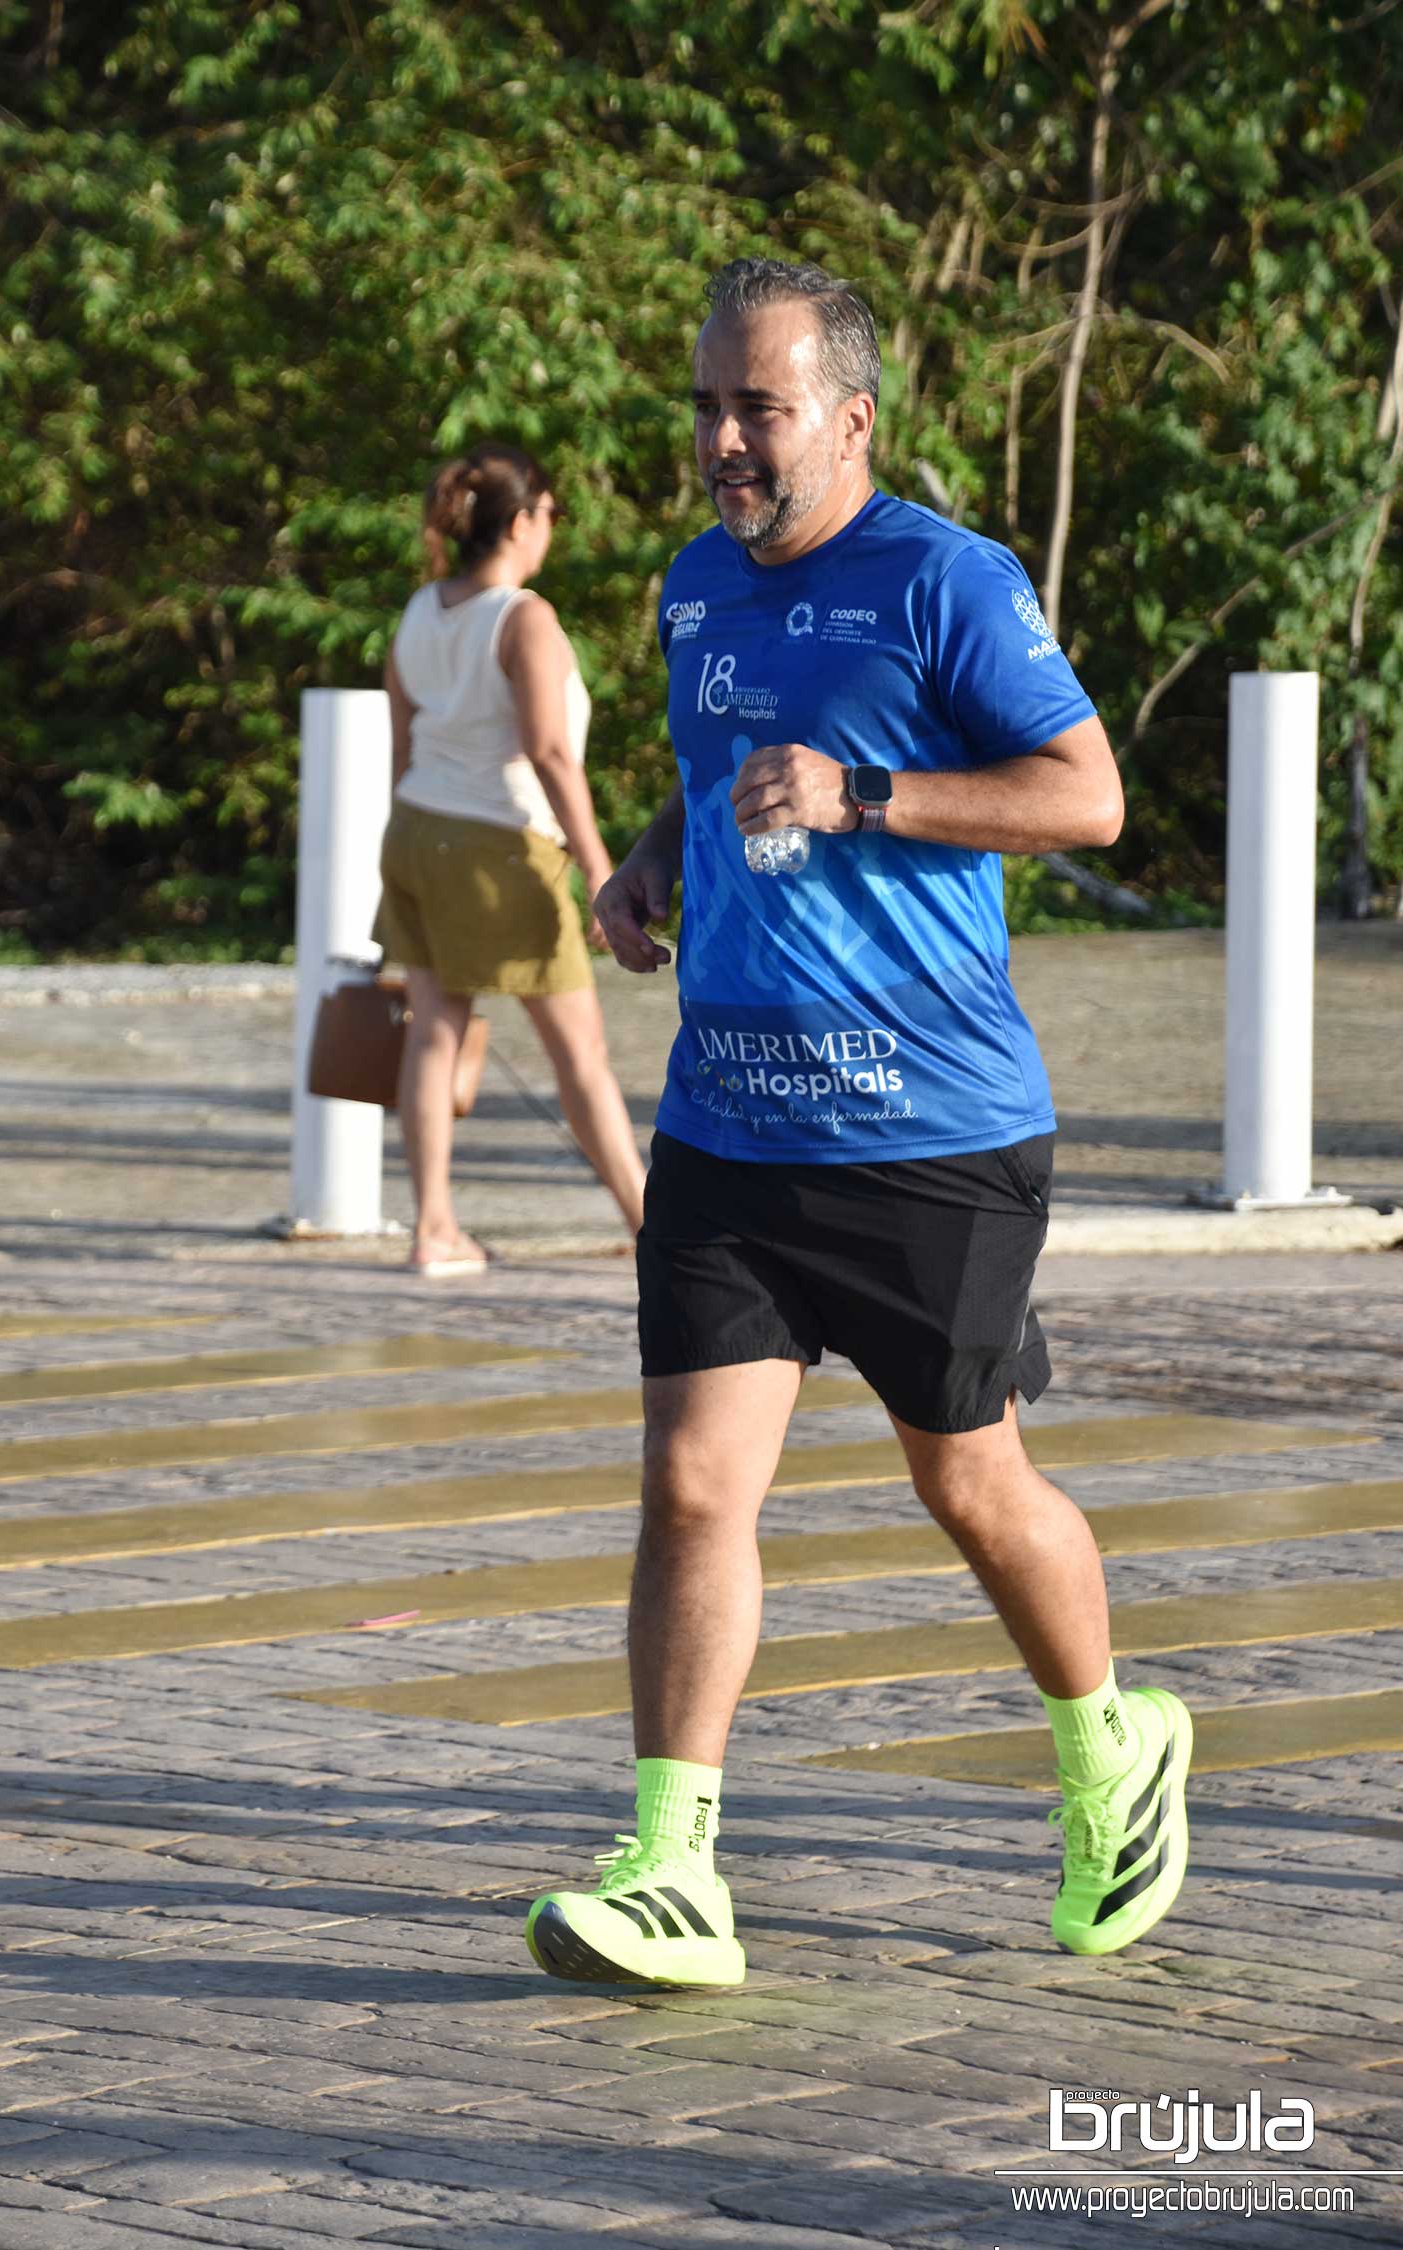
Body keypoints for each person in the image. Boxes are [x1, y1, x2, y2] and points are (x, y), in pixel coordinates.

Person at [524, 260, 1191, 1985]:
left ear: (851, 417)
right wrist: (651, 868)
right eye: (706, 408)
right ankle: (676, 1867)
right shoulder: (693, 587)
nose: (723, 442)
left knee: (967, 1481)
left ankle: (1112, 1747)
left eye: (758, 407)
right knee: (690, 1485)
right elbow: (714, 778)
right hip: (730, 1125)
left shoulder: (946, 578)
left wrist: (867, 795)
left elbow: (1089, 797)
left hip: (931, 1130)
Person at [376, 441, 645, 1274]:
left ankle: (433, 1230)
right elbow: (550, 752)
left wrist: (405, 841)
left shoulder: (421, 609)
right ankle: (652, 1227)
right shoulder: (523, 617)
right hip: (502, 846)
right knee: (580, 1054)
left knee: (433, 1035)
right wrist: (598, 867)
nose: (552, 528)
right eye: (552, 514)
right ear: (523, 521)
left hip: (417, 829)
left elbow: (400, 740)